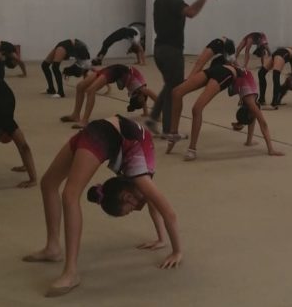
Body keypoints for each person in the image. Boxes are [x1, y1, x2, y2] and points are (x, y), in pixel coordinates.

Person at [23, 115, 182, 297]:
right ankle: (69, 269)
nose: (134, 211)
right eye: (129, 210)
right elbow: (168, 213)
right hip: (104, 133)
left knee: (53, 185)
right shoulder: (139, 175)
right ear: (127, 197)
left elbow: (153, 203)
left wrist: (161, 238)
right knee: (64, 192)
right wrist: (177, 251)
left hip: (103, 130)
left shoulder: (138, 180)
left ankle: (55, 250)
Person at [150, 0, 218, 137]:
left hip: (159, 49)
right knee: (175, 90)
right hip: (171, 52)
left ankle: (153, 118)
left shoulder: (160, 0)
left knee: (170, 86)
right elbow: (191, 12)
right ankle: (168, 130)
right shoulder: (174, 0)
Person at [166, 61, 283, 161]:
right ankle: (174, 133)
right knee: (176, 92)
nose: (255, 114)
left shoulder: (250, 101)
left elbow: (253, 116)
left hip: (223, 71)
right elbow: (262, 123)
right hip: (223, 71)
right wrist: (270, 149)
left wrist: (249, 141)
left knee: (196, 108)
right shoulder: (251, 102)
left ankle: (192, 149)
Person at [61, 64, 160, 128]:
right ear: (142, 97)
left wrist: (146, 112)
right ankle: (76, 115)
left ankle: (85, 121)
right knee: (80, 86)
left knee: (91, 90)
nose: (142, 101)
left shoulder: (137, 90)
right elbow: (150, 95)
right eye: (142, 99)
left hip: (115, 70)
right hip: (118, 70)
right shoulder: (139, 87)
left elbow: (143, 99)